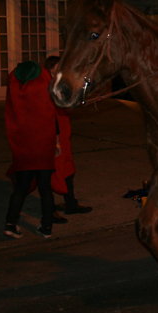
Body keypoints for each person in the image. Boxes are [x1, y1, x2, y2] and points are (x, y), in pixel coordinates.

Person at [3, 61, 57, 239]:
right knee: (45, 188)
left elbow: (11, 111)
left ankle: (11, 223)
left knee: (21, 187)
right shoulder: (44, 81)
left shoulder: (14, 82)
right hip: (42, 142)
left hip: (23, 143)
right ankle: (46, 226)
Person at [45, 56, 93, 217]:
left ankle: (70, 203)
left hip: (64, 136)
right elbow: (49, 114)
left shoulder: (58, 84)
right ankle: (50, 210)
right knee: (52, 173)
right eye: (58, 67)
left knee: (68, 170)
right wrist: (56, 137)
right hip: (54, 136)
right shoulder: (46, 86)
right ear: (51, 68)